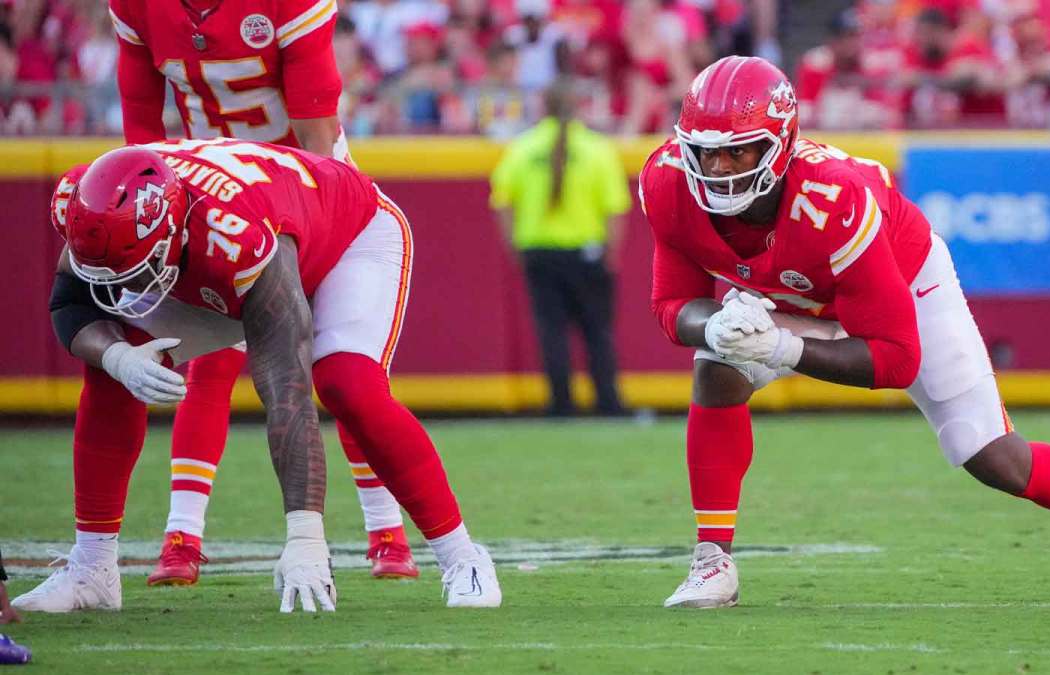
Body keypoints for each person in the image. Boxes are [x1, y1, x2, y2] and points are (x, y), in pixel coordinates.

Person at [640, 56, 1050, 609]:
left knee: (991, 455)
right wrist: (716, 324)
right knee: (718, 365)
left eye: (738, 150)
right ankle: (712, 560)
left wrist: (778, 346)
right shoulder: (670, 181)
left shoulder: (834, 199)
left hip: (903, 283)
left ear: (781, 144)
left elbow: (895, 360)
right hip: (794, 296)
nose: (719, 167)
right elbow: (672, 304)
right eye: (706, 150)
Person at [13, 138, 502, 613]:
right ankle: (91, 568)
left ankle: (463, 558)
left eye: (135, 268)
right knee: (110, 363)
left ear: (171, 232)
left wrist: (305, 535)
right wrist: (118, 356)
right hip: (218, 252)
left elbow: (286, 385)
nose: (127, 285)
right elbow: (71, 301)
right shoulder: (86, 203)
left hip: (347, 235)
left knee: (345, 382)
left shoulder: (235, 233)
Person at [109, 0, 418, 585]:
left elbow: (317, 133)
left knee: (344, 370)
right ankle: (181, 536)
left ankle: (385, 529)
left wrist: (305, 224)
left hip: (306, 190)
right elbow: (141, 133)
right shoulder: (140, 8)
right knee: (211, 363)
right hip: (205, 193)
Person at [490, 79, 631, 417]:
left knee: (552, 332)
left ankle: (561, 405)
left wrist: (515, 246)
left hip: (539, 252)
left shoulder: (523, 148)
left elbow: (502, 202)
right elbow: (615, 208)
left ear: (544, 107)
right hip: (587, 252)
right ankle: (608, 403)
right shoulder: (597, 149)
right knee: (597, 331)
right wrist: (611, 253)